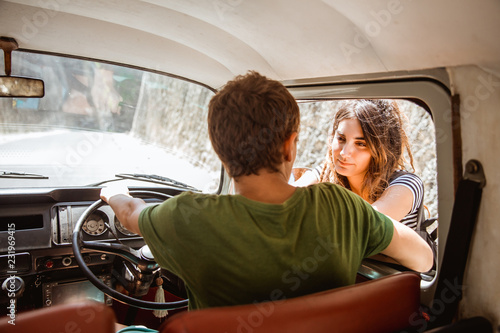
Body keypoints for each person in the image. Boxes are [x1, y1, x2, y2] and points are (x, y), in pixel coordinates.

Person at [101, 72, 433, 314]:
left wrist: (113, 192)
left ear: (219, 151)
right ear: (291, 146)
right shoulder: (344, 207)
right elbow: (424, 258)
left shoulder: (185, 217)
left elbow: (130, 214)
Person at [294, 99, 424, 229]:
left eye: (361, 144)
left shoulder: (407, 184)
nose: (344, 153)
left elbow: (365, 226)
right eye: (341, 139)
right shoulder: (326, 174)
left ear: (381, 149)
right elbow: (285, 198)